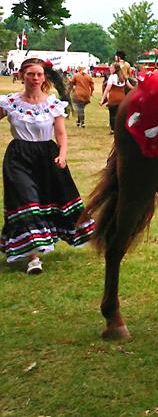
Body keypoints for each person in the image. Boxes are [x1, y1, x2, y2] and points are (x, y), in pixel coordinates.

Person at [1, 58, 95, 274]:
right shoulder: (10, 102)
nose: (35, 78)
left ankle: (39, 243)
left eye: (39, 74)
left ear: (44, 77)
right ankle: (34, 257)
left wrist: (62, 155)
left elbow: (61, 133)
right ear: (22, 75)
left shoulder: (52, 104)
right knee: (27, 201)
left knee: (49, 201)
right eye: (30, 74)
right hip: (18, 157)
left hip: (47, 157)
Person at [100, 51, 135, 133]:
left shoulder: (117, 67)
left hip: (114, 93)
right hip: (123, 83)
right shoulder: (127, 64)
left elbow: (108, 89)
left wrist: (102, 98)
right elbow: (130, 74)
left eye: (116, 56)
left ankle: (113, 128)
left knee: (104, 85)